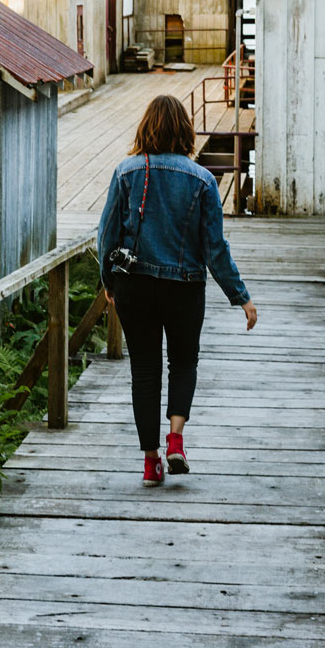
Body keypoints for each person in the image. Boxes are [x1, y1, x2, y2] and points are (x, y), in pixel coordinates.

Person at [98, 94, 257, 487]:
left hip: (134, 287)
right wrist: (240, 296)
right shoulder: (202, 180)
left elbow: (106, 236)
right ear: (185, 131)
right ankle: (175, 438)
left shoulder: (126, 172)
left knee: (145, 371)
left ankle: (151, 463)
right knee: (183, 363)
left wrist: (109, 281)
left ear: (145, 127)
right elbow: (214, 249)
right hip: (184, 289)